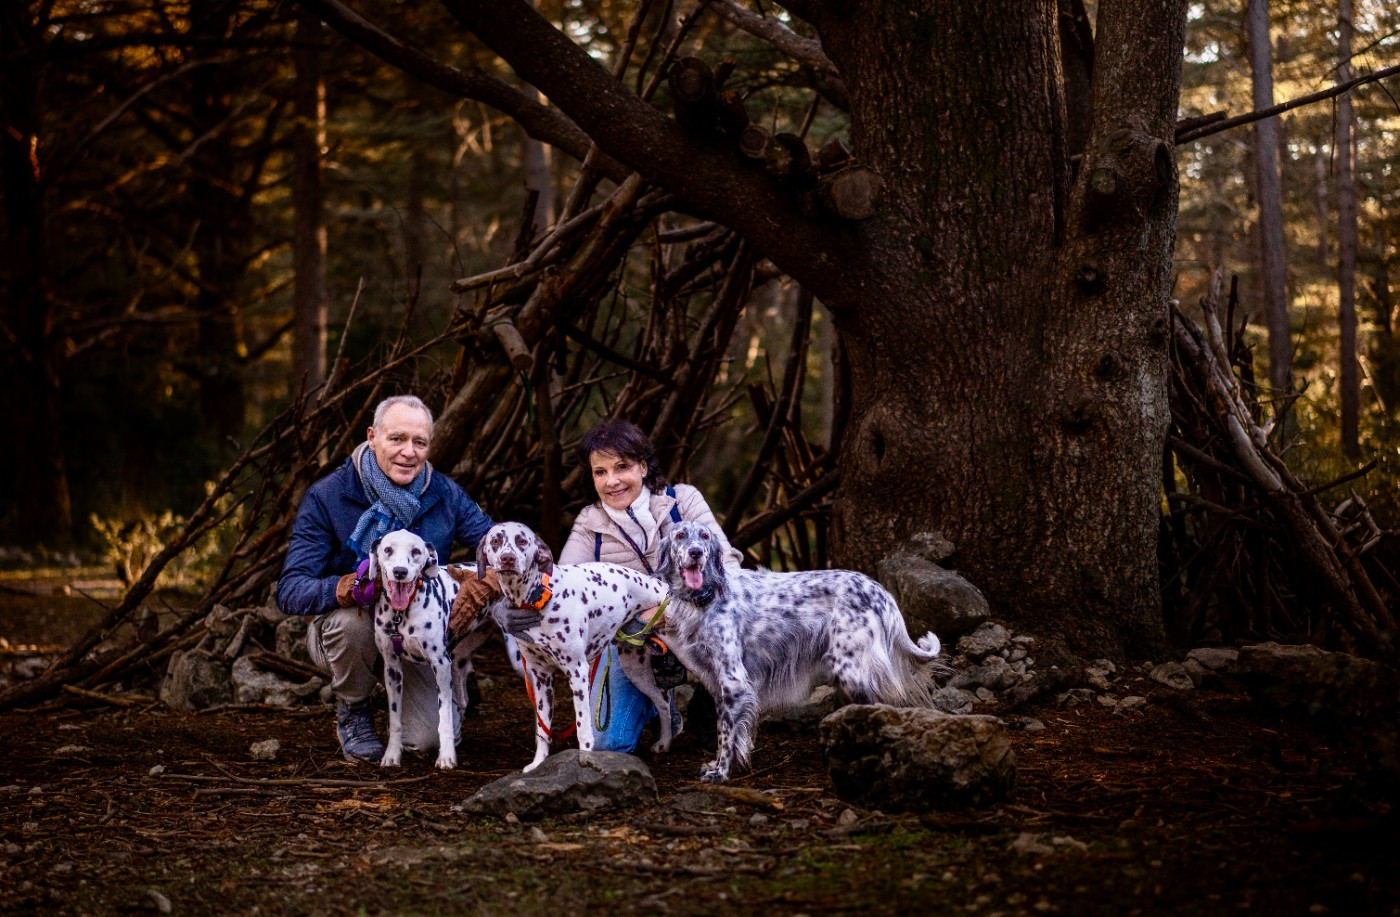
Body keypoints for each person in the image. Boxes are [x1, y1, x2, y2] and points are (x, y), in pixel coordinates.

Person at [277, 395, 500, 763]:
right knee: (352, 623)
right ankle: (354, 708)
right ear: (372, 436)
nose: (408, 452)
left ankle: (441, 687)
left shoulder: (443, 493)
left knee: (425, 742)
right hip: (350, 631)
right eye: (397, 439)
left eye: (420, 442)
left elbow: (494, 543)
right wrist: (343, 588)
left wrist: (486, 583)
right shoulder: (329, 495)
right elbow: (290, 589)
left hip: (419, 633)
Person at [557, 418, 741, 753]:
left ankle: (708, 699)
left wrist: (670, 608)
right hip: (631, 644)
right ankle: (663, 706)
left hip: (702, 629)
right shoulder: (589, 524)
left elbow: (727, 565)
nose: (611, 481)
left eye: (622, 467)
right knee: (608, 744)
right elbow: (564, 587)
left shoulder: (682, 501)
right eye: (600, 472)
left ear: (643, 466)